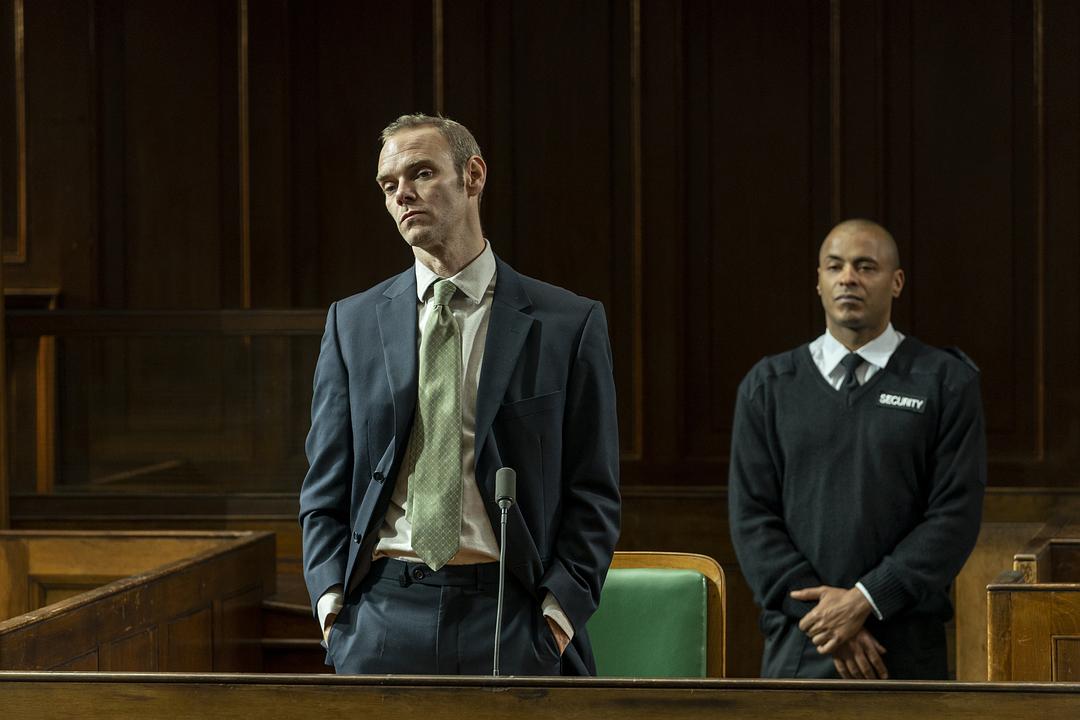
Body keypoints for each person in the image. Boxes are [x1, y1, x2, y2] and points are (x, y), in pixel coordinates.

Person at [299, 113, 620, 676]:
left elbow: (594, 490)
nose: (402, 194)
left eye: (421, 173)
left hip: (512, 614)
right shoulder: (351, 324)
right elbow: (324, 485)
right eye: (388, 185)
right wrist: (331, 606)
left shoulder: (568, 324)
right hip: (380, 615)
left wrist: (557, 616)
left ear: (473, 176)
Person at [728, 219, 986, 680]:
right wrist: (828, 617)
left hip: (904, 651)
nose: (848, 278)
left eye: (866, 267)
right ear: (819, 281)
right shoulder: (767, 387)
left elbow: (954, 516)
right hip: (801, 643)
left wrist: (866, 599)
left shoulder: (946, 383)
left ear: (897, 282)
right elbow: (751, 519)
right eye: (835, 266)